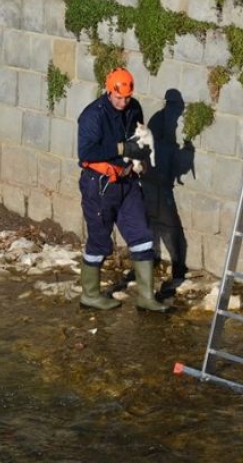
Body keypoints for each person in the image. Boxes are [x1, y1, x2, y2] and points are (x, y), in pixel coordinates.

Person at [76, 67, 169, 312]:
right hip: (99, 185)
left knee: (142, 235)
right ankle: (90, 294)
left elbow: (138, 140)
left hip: (127, 183)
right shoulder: (92, 116)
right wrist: (121, 149)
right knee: (99, 240)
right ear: (109, 91)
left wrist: (141, 160)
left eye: (127, 97)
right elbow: (86, 153)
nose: (123, 102)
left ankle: (146, 297)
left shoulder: (134, 107)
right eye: (118, 97)